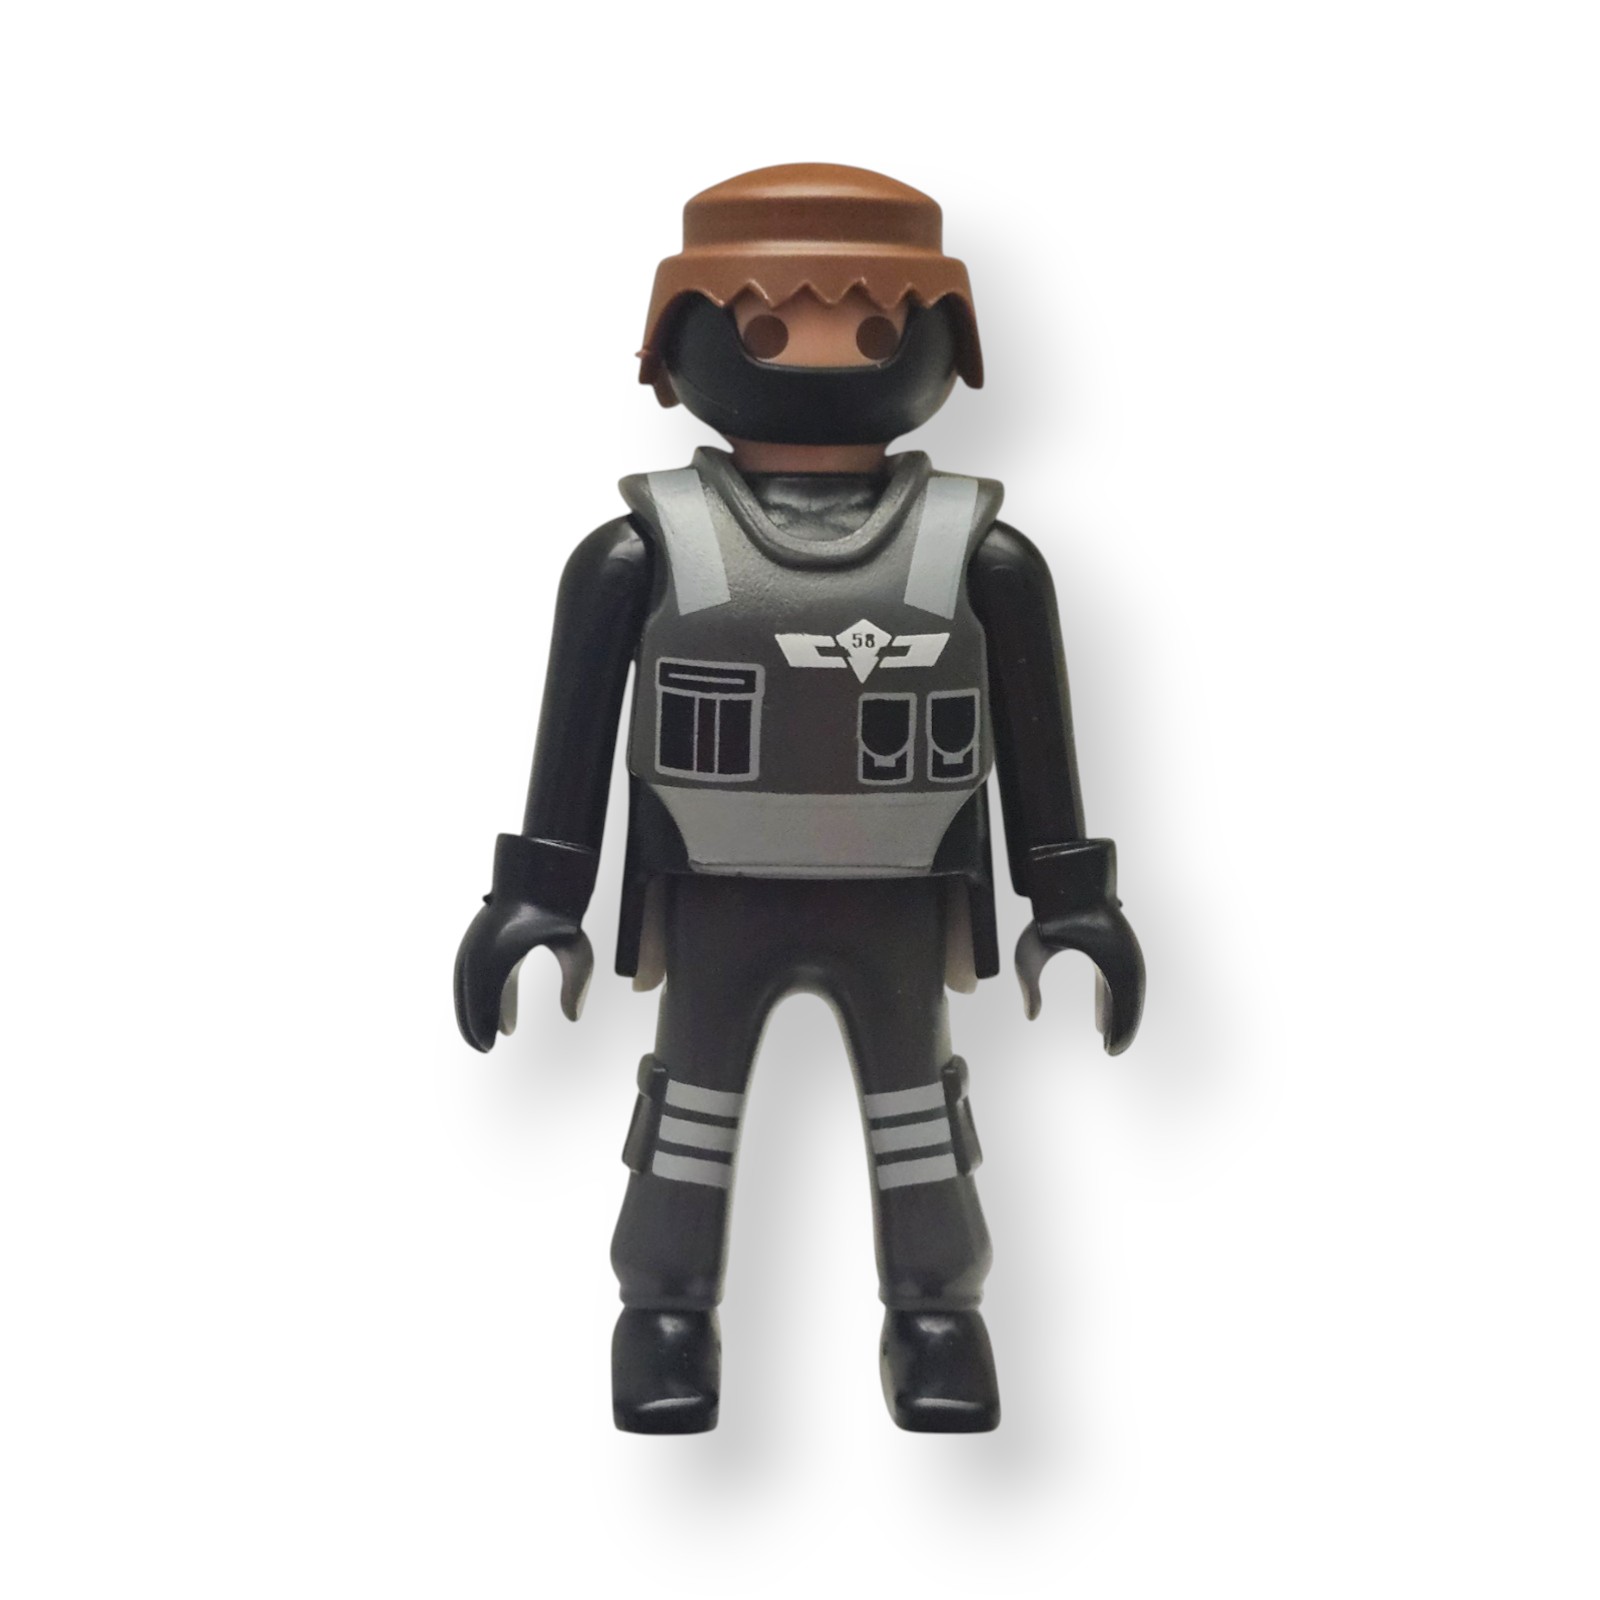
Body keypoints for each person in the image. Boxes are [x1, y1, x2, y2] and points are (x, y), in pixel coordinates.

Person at [453, 163, 1145, 1433]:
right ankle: (664, 1310)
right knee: (689, 1107)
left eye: (874, 330)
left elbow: (1039, 737)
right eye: (768, 329)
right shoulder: (647, 549)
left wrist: (1070, 895)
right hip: (714, 889)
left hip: (900, 893)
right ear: (677, 351)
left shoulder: (975, 553)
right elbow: (575, 734)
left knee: (916, 1111)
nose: (822, 358)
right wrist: (534, 893)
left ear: (942, 348)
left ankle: (936, 1313)